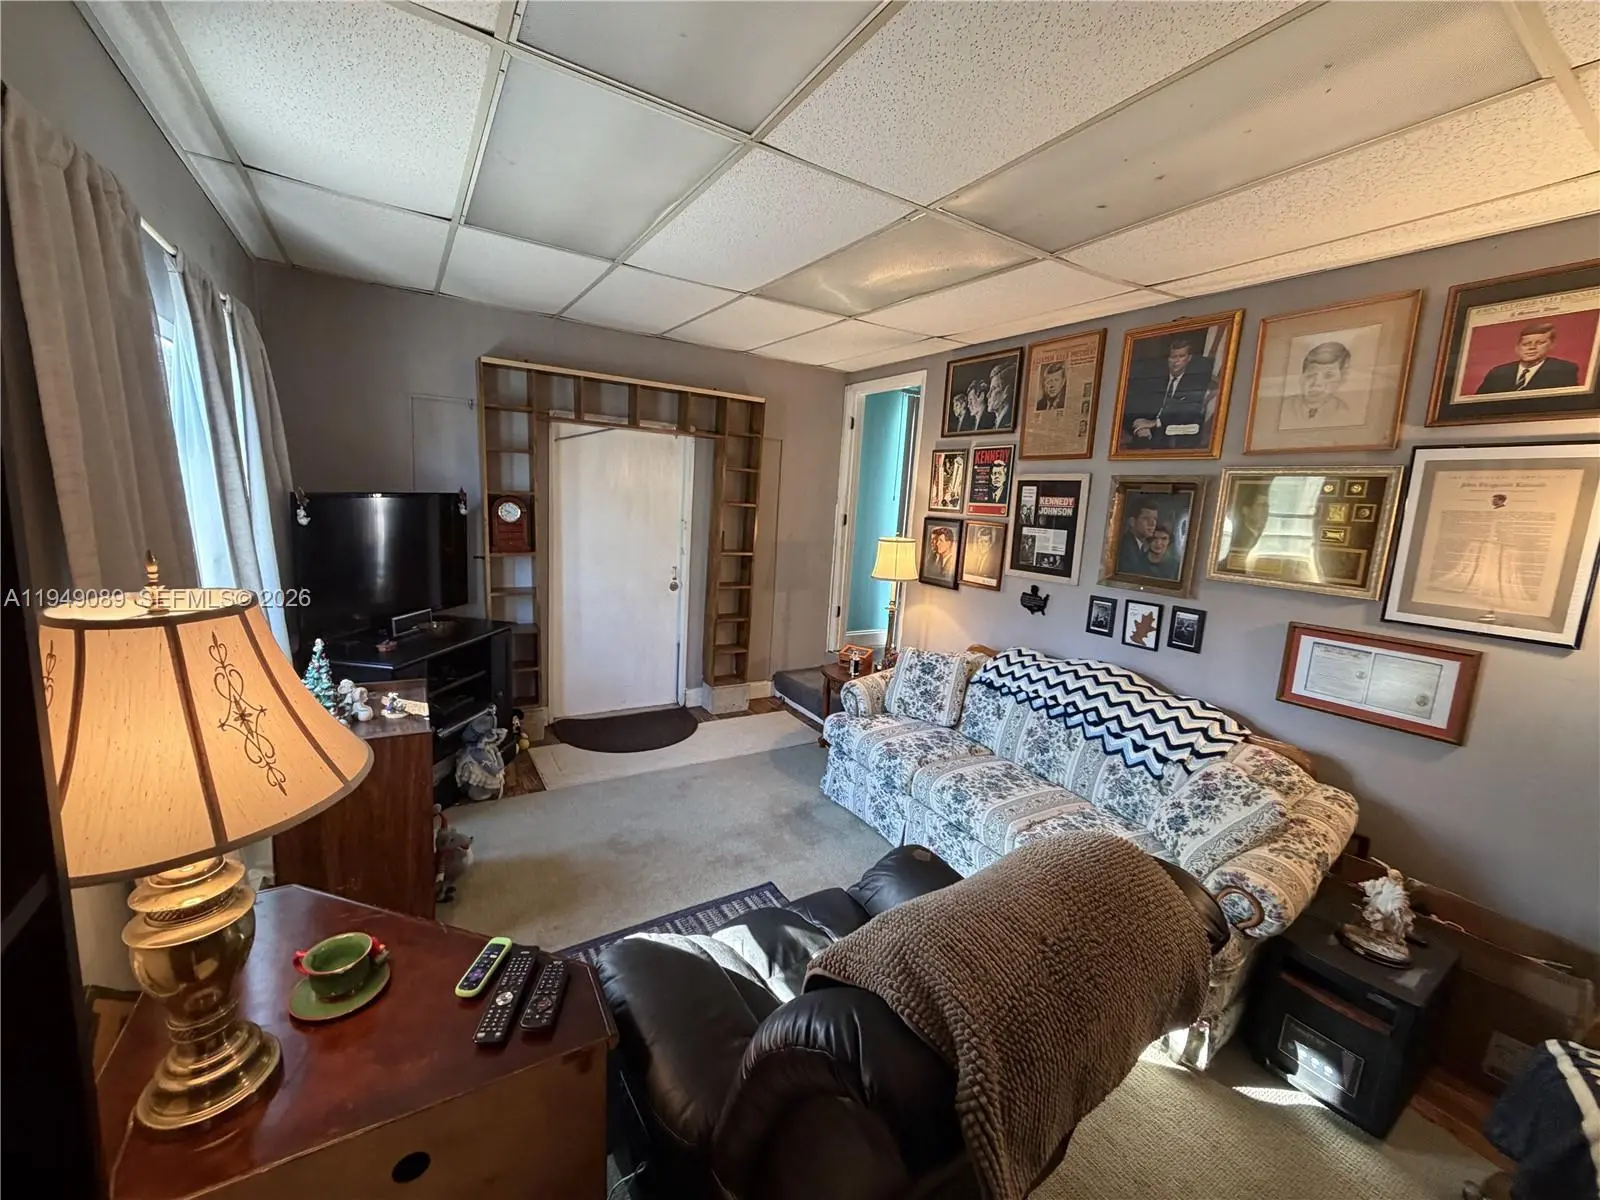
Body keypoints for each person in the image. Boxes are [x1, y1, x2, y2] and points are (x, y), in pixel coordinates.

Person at [1124, 335, 1214, 449]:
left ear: (1189, 358)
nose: (1176, 361)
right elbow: (1134, 407)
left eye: (1181, 356)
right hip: (1148, 436)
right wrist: (1139, 427)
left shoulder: (1194, 384)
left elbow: (1189, 413)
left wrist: (1156, 423)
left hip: (1178, 439)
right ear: (1168, 359)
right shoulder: (1154, 380)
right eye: (1173, 356)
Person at [1475, 322, 1582, 394]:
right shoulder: (1498, 372)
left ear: (1551, 345)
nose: (1532, 347)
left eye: (1540, 343)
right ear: (1517, 347)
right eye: (1526, 344)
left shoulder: (1564, 370)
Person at [1280, 341, 1363, 429]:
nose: (1316, 383)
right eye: (1311, 375)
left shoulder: (1345, 414)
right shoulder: (1282, 408)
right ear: (1301, 377)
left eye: (1328, 376)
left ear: (1341, 380)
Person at [1116, 498, 1161, 575]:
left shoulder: (1141, 546)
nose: (1153, 524)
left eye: (1155, 519)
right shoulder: (1125, 547)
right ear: (1132, 522)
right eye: (1146, 518)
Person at [1231, 485, 1271, 553]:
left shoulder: (1263, 537)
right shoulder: (1238, 540)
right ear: (1246, 511)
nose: (1266, 510)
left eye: (1267, 505)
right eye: (1261, 505)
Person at [979, 363, 1016, 431]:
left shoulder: (1008, 423)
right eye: (990, 389)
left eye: (994, 389)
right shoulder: (999, 423)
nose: (988, 395)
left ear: (1006, 392)